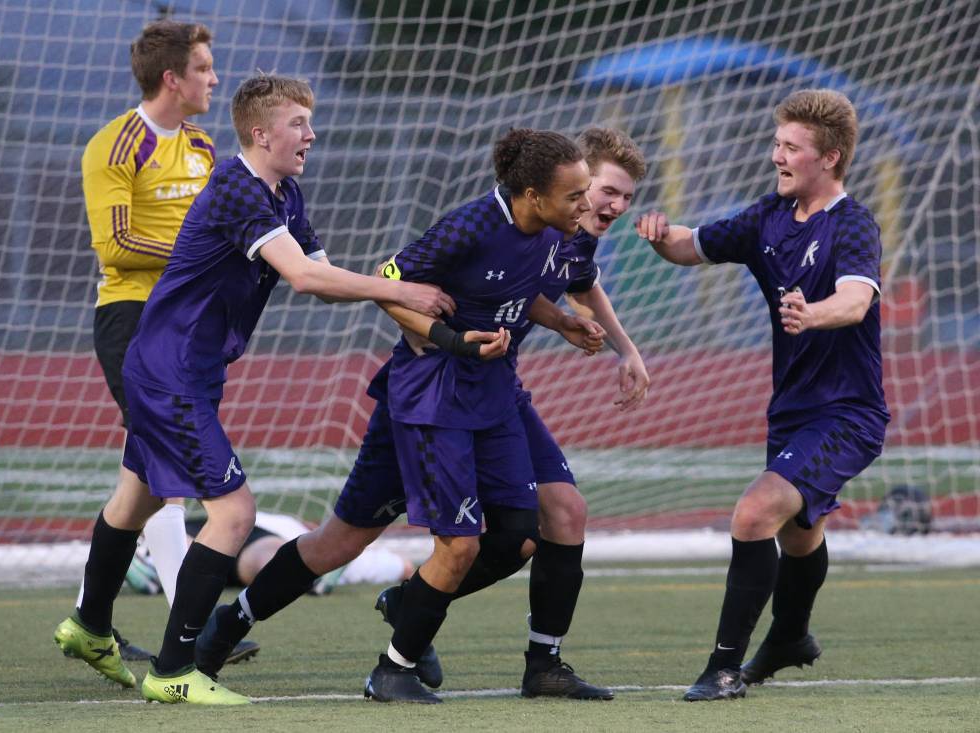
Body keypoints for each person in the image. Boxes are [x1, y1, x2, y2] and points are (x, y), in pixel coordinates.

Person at [53, 74, 453, 706]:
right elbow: (303, 279)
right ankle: (174, 670)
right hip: (170, 373)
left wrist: (421, 321)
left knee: (137, 502)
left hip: (183, 371)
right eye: (298, 124)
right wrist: (402, 290)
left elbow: (323, 270)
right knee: (235, 512)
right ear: (260, 132)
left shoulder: (283, 193)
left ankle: (87, 624)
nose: (311, 135)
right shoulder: (240, 191)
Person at [193, 129, 603, 704]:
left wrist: (562, 323)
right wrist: (451, 340)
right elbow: (389, 288)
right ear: (534, 196)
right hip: (432, 401)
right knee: (414, 545)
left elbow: (514, 285)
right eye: (576, 195)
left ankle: (407, 611)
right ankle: (378, 667)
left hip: (490, 396)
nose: (586, 205)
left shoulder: (548, 231)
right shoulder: (469, 227)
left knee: (519, 534)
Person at [636, 88, 889, 701]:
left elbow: (857, 301)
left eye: (791, 148)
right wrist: (657, 233)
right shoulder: (767, 217)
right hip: (792, 410)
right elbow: (689, 246)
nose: (777, 156)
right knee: (798, 535)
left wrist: (813, 312)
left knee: (753, 514)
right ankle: (792, 639)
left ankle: (723, 668)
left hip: (848, 413)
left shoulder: (852, 226)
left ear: (829, 158)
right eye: (776, 144)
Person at [77, 19, 225, 662]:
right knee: (165, 470)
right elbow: (116, 244)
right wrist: (199, 258)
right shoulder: (116, 144)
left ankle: (88, 624)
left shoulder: (203, 146)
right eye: (203, 68)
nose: (214, 78)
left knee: (145, 479)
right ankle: (181, 632)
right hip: (133, 321)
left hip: (189, 327)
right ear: (173, 78)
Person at [125, 510, 414, 595]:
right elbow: (405, 568)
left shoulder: (293, 526)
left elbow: (403, 568)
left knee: (182, 542)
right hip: (259, 542)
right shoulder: (354, 556)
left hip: (227, 527)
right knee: (270, 561)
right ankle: (309, 576)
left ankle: (146, 558)